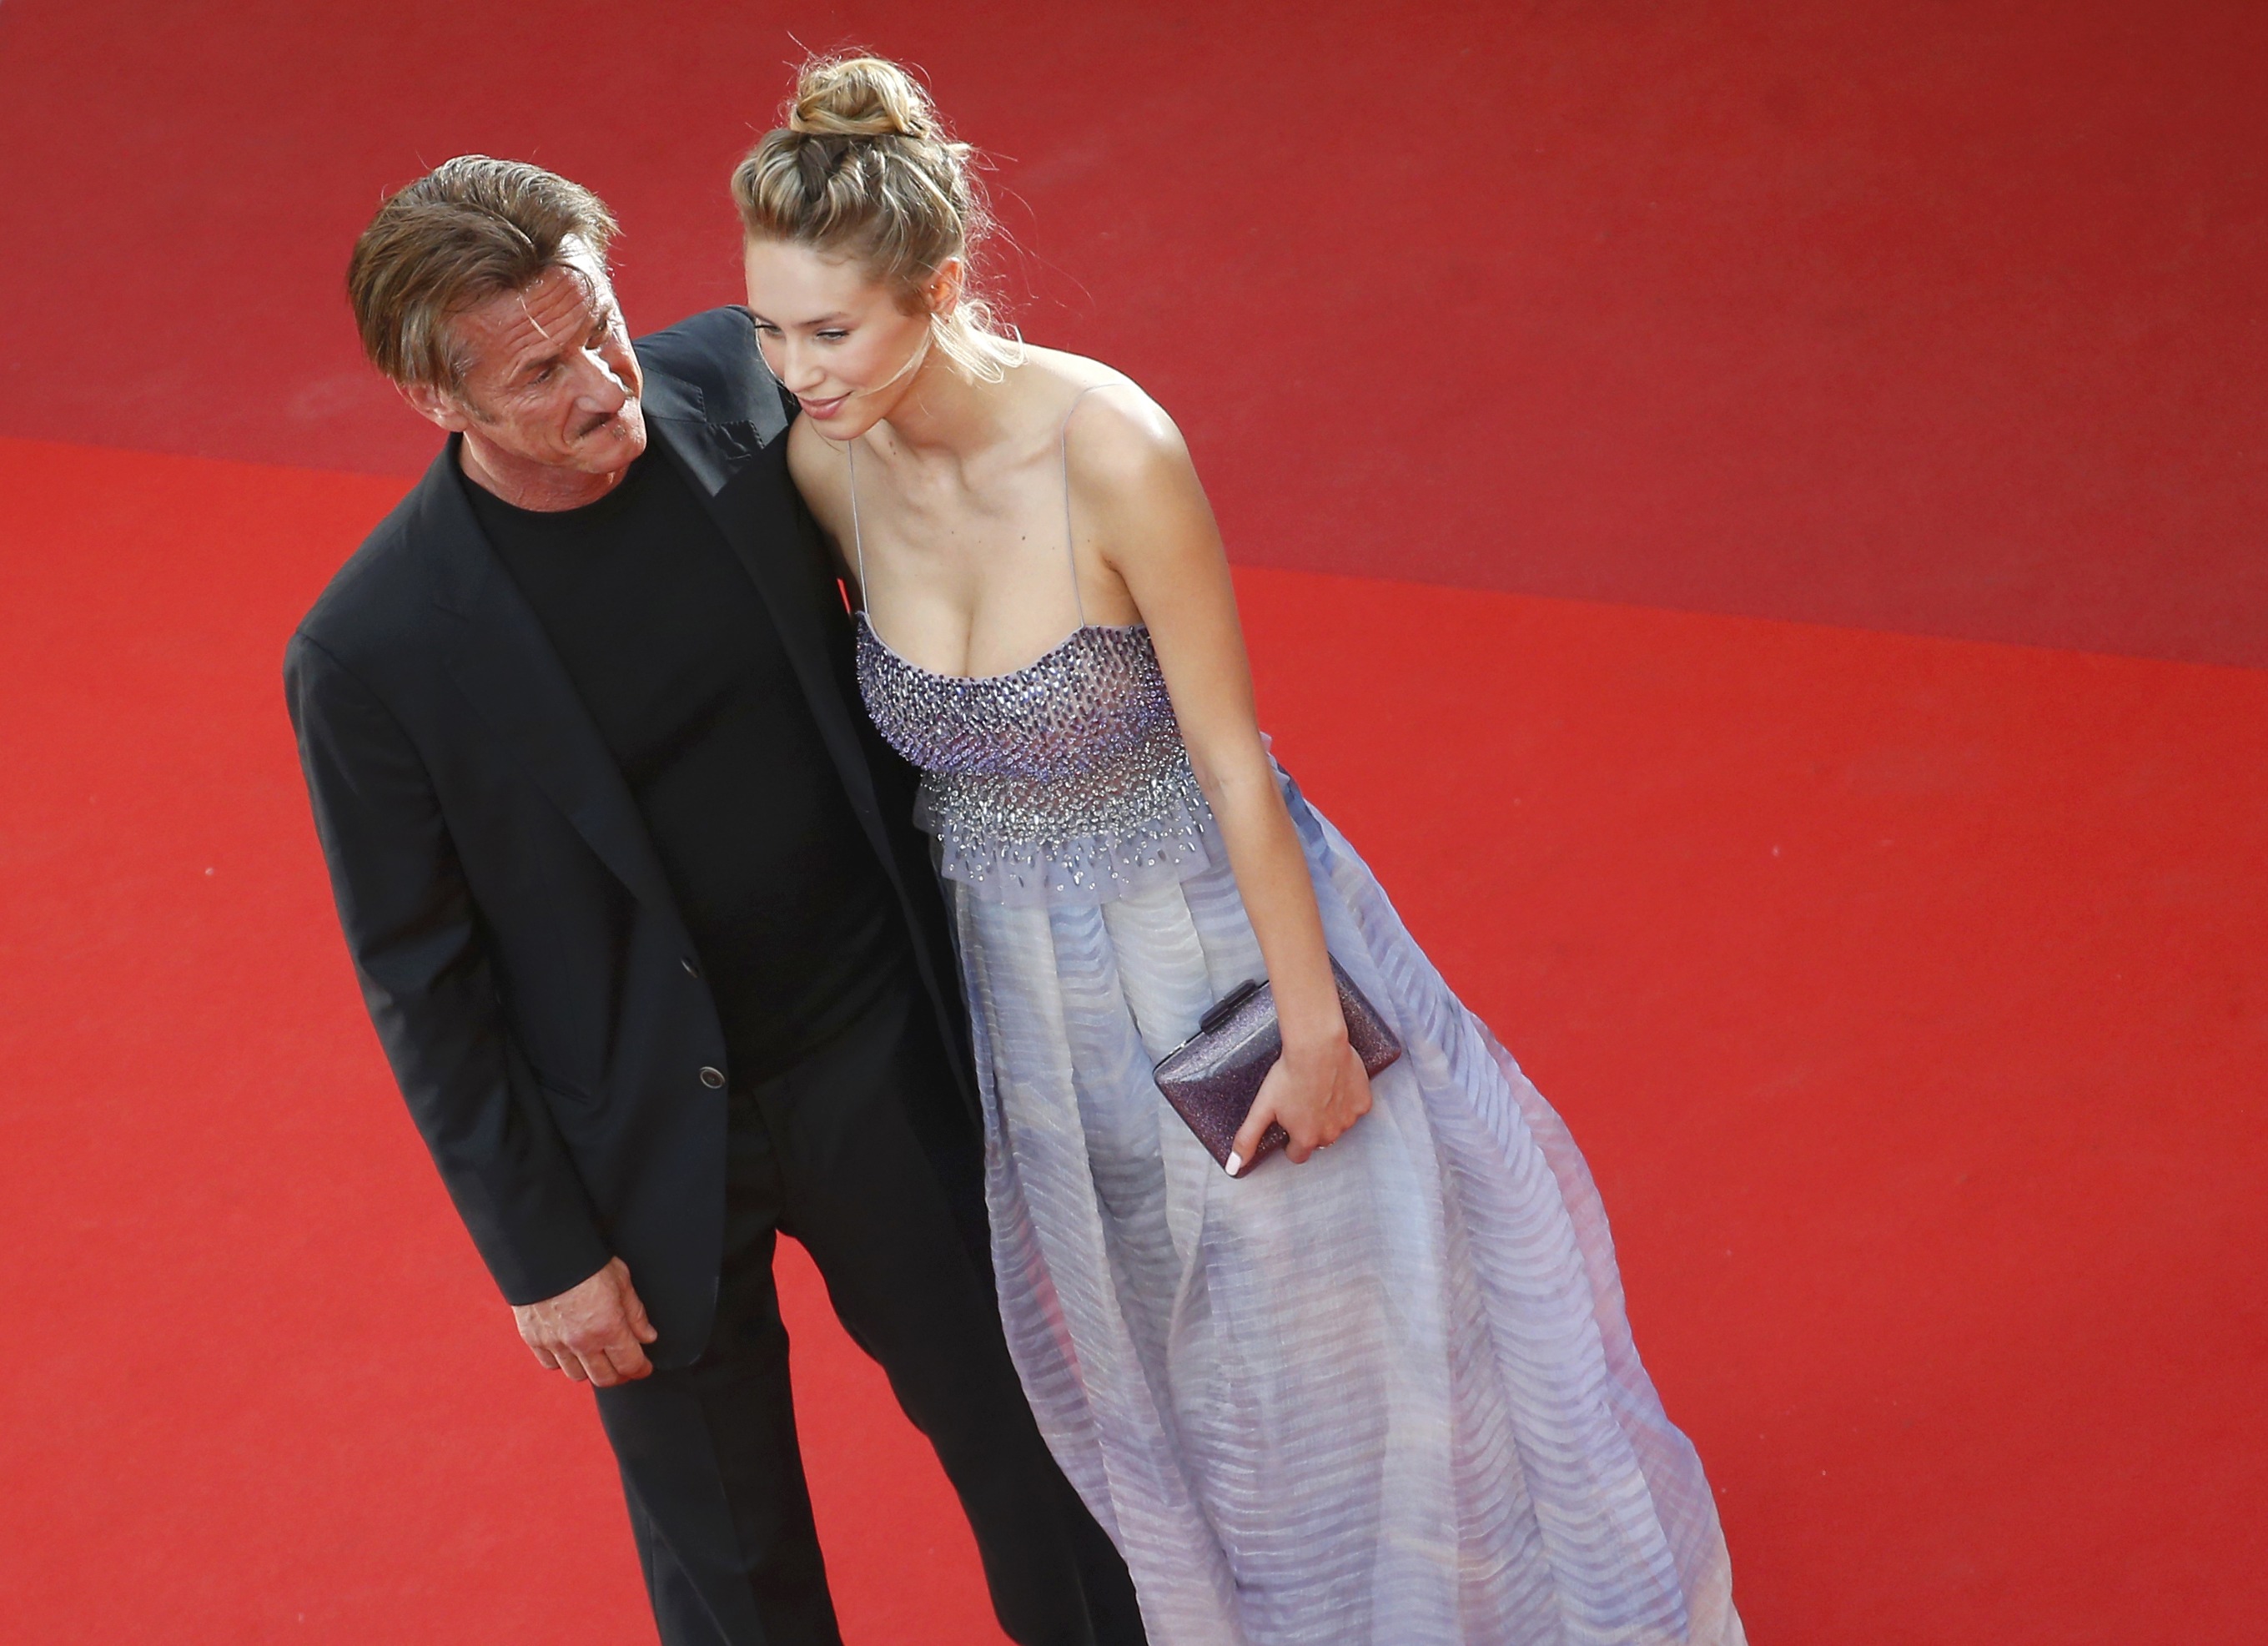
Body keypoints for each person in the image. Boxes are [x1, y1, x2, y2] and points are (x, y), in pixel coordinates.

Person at [734, 56, 1748, 1646]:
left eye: (830, 328)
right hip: (1024, 1004)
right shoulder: (821, 468)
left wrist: (1322, 1027)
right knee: (1158, 1358)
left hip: (1209, 955)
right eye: (768, 329)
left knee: (1330, 1324)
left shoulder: (1111, 448)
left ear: (934, 287)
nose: (797, 370)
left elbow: (1234, 764)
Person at [284, 156, 1144, 1646]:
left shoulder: (740, 386)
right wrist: (542, 1254)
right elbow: (422, 978)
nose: (605, 381)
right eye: (543, 373)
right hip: (642, 1149)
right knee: (732, 1565)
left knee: (1033, 1452)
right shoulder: (372, 651)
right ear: (442, 404)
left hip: (875, 1051)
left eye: (602, 328)